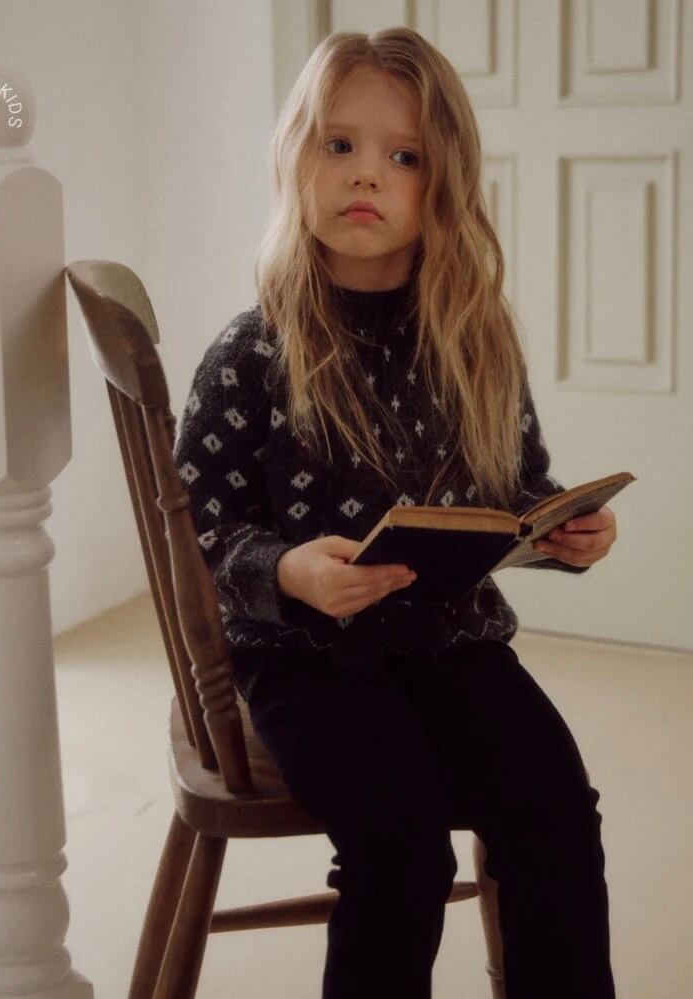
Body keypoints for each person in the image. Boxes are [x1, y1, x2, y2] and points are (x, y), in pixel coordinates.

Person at [172, 26, 619, 999]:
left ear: (442, 181)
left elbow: (516, 484)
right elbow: (200, 532)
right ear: (296, 159)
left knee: (554, 810)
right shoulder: (251, 350)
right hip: (304, 658)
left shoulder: (473, 339)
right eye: (338, 144)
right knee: (402, 848)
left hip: (450, 638)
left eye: (403, 156)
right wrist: (286, 571)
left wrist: (561, 529)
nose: (365, 173)